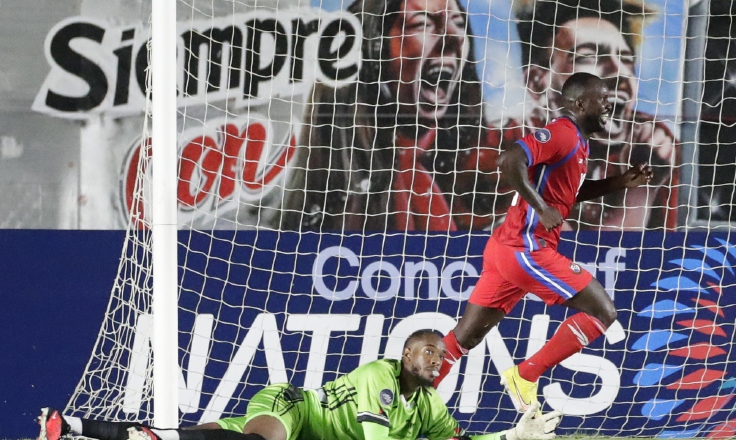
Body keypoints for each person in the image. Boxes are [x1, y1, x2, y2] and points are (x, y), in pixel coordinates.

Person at [432, 73, 654, 412]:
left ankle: (406, 400)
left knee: (465, 337)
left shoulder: (580, 142)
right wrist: (541, 206)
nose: (609, 103)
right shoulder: (562, 133)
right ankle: (525, 375)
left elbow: (568, 195)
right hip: (526, 248)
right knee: (602, 312)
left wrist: (620, 182)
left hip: (507, 249)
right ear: (580, 104)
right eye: (602, 97)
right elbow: (509, 160)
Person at [37, 330, 563, 440]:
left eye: (442, 356)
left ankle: (71, 427)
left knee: (191, 437)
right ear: (407, 354)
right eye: (429, 351)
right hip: (296, 407)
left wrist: (510, 439)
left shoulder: (428, 404)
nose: (437, 359)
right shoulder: (378, 377)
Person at [280, 0, 500, 232]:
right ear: (373, 52)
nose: (455, 37)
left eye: (459, 22)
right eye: (422, 23)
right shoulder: (323, 201)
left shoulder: (476, 177)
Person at [502, 0, 676, 230]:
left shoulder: (656, 146)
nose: (620, 72)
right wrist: (640, 193)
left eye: (626, 60)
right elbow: (583, 254)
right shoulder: (506, 149)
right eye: (589, 57)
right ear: (536, 82)